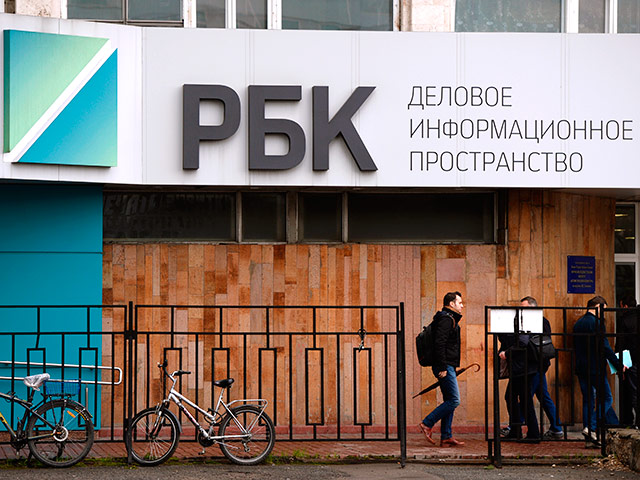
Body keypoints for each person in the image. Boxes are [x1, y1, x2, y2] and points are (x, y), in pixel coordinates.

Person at [573, 296, 626, 445]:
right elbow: (606, 348)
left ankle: (589, 438)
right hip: (595, 367)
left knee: (588, 400)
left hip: (581, 367)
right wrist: (619, 364)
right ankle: (592, 427)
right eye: (603, 310)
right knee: (607, 398)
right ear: (597, 307)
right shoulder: (597, 323)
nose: (603, 314)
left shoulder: (578, 323)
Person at [418, 291, 465, 447]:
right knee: (454, 400)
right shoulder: (446, 319)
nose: (462, 305)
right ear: (451, 304)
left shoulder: (447, 318)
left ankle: (446, 436)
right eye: (459, 302)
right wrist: (443, 366)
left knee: (449, 399)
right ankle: (427, 423)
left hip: (447, 364)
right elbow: (440, 343)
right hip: (444, 366)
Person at [520, 296, 563, 440]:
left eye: (524, 308)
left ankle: (516, 423)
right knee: (543, 396)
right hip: (538, 364)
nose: (521, 311)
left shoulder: (538, 321)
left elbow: (538, 343)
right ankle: (557, 428)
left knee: (526, 396)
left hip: (535, 365)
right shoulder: (541, 321)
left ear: (533, 307)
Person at [498, 302, 540, 442]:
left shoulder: (522, 322)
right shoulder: (514, 323)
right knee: (514, 397)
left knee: (522, 399)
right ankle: (520, 431)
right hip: (520, 368)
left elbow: (522, 342)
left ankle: (531, 433)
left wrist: (507, 353)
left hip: (523, 368)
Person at [615, 294, 639, 427]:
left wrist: (620, 364)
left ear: (624, 306)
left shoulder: (624, 320)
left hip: (629, 360)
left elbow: (621, 344)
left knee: (630, 392)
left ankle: (628, 421)